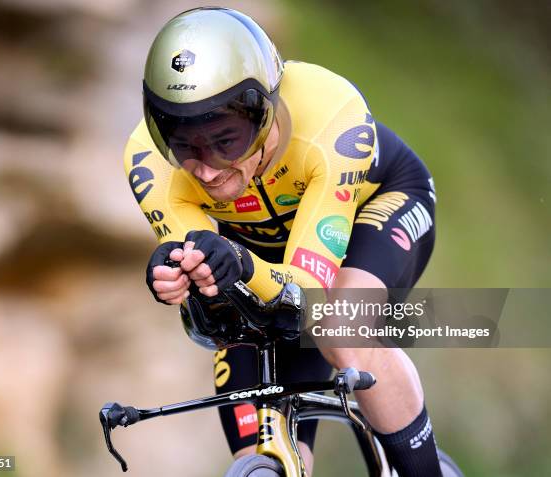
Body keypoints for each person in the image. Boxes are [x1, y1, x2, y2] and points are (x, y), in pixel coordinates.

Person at [125, 7, 441, 476]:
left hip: (373, 210)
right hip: (263, 250)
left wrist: (241, 264)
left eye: (226, 141)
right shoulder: (148, 163)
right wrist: (180, 280)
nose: (207, 170)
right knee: (250, 416)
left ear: (264, 111)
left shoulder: (331, 114)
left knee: (337, 326)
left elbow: (305, 296)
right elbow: (212, 320)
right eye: (186, 146)